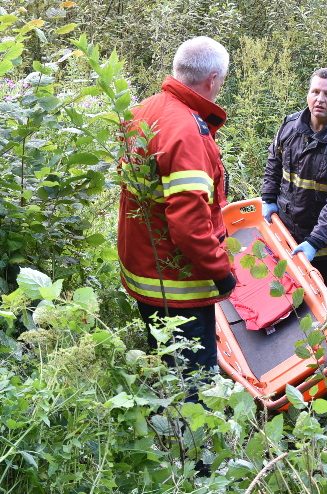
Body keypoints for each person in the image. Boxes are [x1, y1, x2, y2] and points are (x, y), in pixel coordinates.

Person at [118, 36, 236, 394]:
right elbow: (189, 226)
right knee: (195, 388)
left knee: (166, 373)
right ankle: (195, 449)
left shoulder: (144, 111)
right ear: (212, 80)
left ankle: (166, 442)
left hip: (144, 272)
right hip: (178, 283)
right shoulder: (187, 132)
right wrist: (222, 272)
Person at [261, 68, 327, 334]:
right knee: (296, 309)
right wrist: (268, 199)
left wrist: (315, 242)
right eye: (315, 92)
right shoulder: (290, 126)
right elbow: (274, 163)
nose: (320, 98)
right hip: (290, 238)